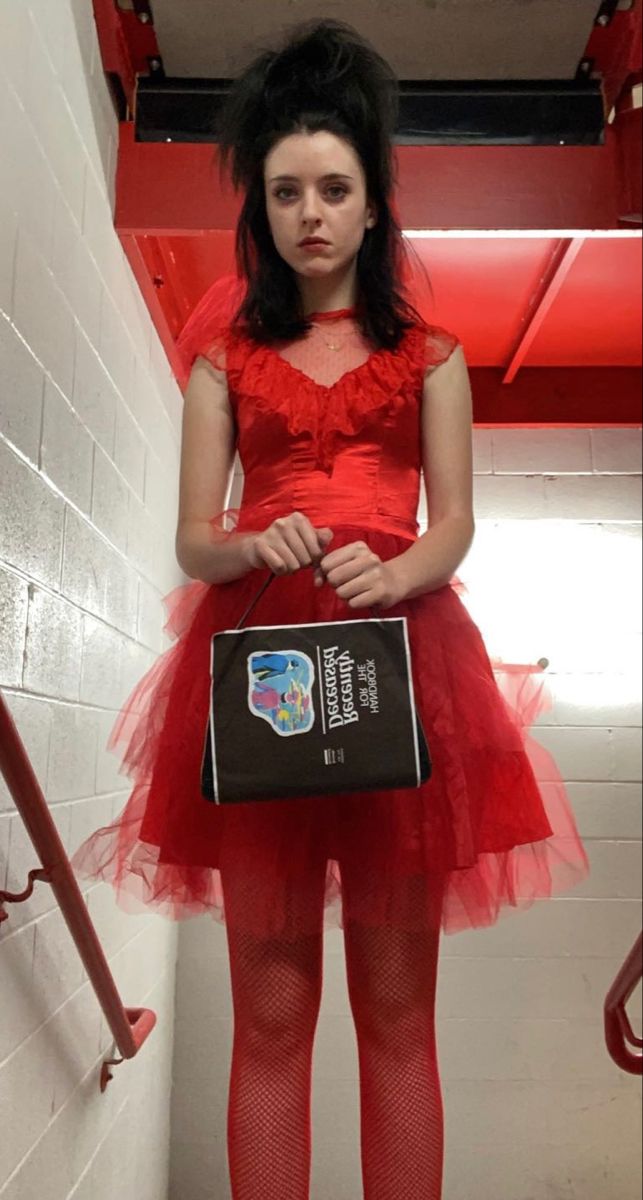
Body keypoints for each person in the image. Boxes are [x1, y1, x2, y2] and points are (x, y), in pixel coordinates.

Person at [71, 19, 589, 1199]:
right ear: (260, 205)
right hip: (263, 678)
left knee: (398, 1017)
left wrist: (403, 571)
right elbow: (194, 541)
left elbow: (451, 524)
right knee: (271, 1016)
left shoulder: (433, 354)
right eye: (287, 190)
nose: (311, 212)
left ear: (372, 204)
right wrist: (252, 538)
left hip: (405, 673)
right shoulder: (224, 359)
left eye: (335, 188)